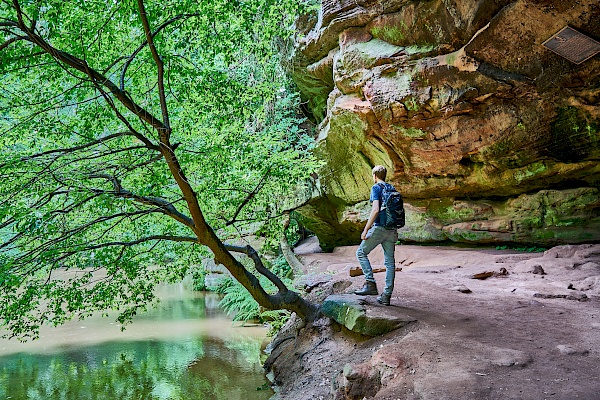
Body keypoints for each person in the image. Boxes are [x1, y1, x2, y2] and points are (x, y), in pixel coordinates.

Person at [354, 165, 398, 305]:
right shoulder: (392, 188)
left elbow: (375, 210)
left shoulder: (376, 188)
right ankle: (386, 295)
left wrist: (366, 229)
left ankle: (370, 284)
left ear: (374, 176)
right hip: (392, 229)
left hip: (380, 228)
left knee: (361, 252)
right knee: (390, 262)